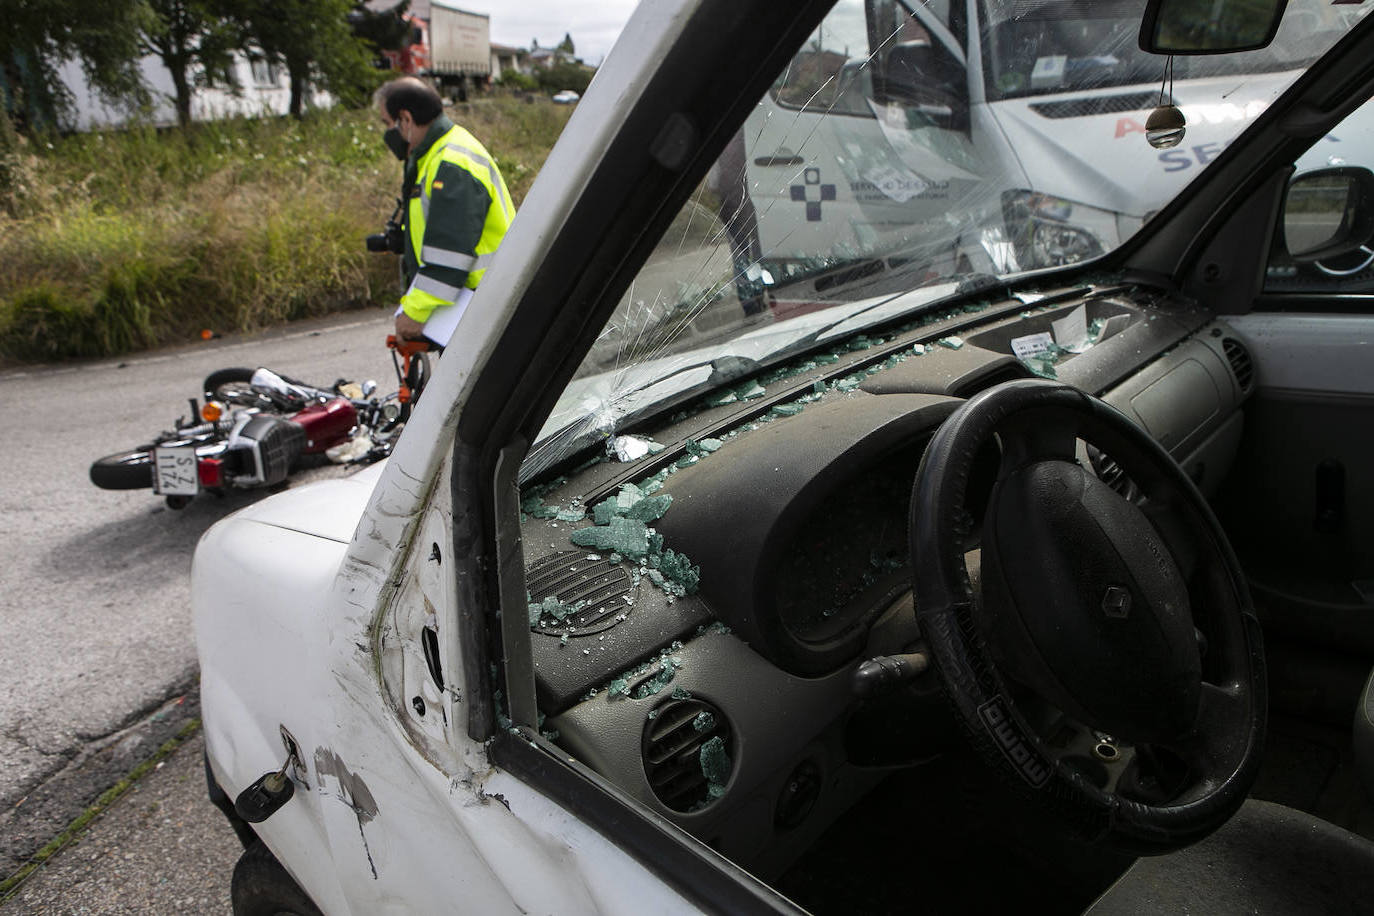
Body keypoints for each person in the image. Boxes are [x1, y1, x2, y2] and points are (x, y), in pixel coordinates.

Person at [374, 77, 515, 346]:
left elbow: (450, 254)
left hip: (482, 308)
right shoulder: (435, 154)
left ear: (405, 119)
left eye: (386, 123)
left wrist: (414, 313)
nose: (387, 133)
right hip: (475, 303)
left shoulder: (451, 163)